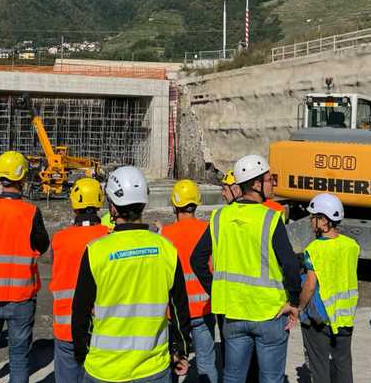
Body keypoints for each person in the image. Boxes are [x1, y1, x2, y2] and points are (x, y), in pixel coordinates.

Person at [71, 166, 191, 383]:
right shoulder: (166, 249)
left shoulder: (96, 251)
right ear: (144, 202)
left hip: (104, 369)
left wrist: (82, 353)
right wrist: (181, 350)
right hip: (153, 368)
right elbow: (179, 307)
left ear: (113, 208)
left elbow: (80, 312)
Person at [191, 154, 301, 383]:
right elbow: (290, 264)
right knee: (271, 378)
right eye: (269, 179)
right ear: (255, 184)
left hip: (233, 313)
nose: (273, 184)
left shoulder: (220, 216)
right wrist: (293, 301)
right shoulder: (271, 218)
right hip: (269, 313)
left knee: (233, 377)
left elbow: (197, 259)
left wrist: (216, 290)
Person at [0, 151, 49, 383]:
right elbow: (42, 245)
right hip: (21, 297)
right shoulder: (31, 212)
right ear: (22, 178)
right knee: (19, 357)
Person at [49, 178, 109, 383]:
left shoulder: (59, 240)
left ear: (74, 204)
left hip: (66, 327)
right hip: (102, 327)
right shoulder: (109, 238)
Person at [161, 179, 218, 383]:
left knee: (172, 363)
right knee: (206, 364)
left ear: (175, 204)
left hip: (175, 313)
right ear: (197, 202)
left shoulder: (165, 234)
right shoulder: (208, 230)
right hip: (204, 308)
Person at [298, 193, 359, 383]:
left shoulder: (314, 249)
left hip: (320, 317)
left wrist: (299, 307)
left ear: (324, 220)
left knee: (319, 366)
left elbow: (310, 285)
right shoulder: (351, 245)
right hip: (345, 315)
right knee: (343, 364)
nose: (311, 221)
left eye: (313, 217)